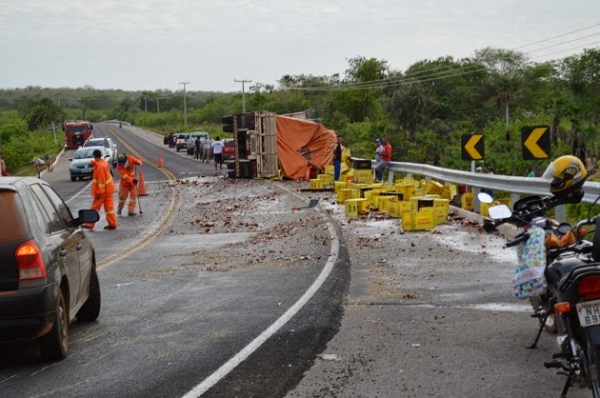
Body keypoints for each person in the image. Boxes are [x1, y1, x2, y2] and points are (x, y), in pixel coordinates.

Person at [84, 149, 117, 230]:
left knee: (95, 207)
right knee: (109, 208)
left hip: (102, 191)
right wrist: (93, 163)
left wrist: (99, 192)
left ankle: (89, 224)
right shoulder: (103, 163)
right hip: (108, 189)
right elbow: (98, 163)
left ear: (94, 156)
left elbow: (101, 181)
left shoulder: (100, 167)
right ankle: (112, 223)